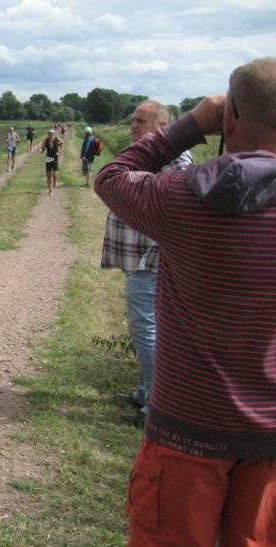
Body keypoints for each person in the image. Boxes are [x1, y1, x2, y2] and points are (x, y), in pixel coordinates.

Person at [95, 57, 276, 547]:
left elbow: (111, 177)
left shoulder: (182, 196)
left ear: (229, 118)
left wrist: (191, 124)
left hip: (184, 431)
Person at [101, 101, 193, 426]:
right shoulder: (155, 156)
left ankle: (155, 405)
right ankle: (145, 392)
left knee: (146, 330)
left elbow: (176, 217)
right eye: (133, 120)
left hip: (154, 261)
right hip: (145, 259)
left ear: (163, 126)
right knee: (147, 328)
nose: (133, 126)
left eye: (141, 121)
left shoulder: (176, 162)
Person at [39, 128, 61, 195]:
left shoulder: (57, 139)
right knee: (49, 175)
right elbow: (42, 150)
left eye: (51, 134)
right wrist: (40, 150)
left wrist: (60, 152)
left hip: (55, 158)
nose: (50, 135)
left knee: (55, 174)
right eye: (49, 134)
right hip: (48, 158)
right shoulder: (45, 140)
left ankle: (54, 182)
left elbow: (63, 147)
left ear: (54, 134)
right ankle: (50, 190)